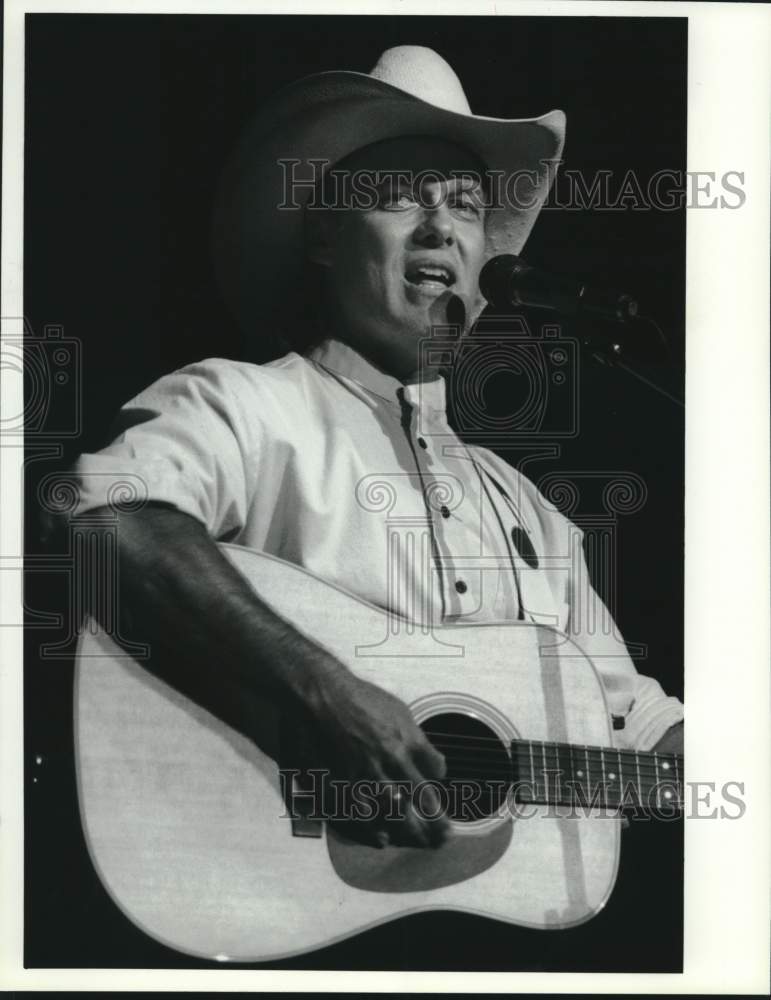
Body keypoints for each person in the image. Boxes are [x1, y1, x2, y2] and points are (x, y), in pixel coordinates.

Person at [65, 46, 683, 852]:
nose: (440, 227)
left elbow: (629, 718)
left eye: (464, 204)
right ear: (324, 234)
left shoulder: (529, 509)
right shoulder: (244, 404)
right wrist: (323, 692)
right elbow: (110, 520)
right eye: (400, 196)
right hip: (269, 894)